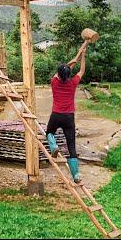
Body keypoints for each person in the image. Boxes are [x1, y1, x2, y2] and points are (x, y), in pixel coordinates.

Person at [45, 42, 88, 183]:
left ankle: (54, 146)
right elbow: (81, 71)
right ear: (69, 74)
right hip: (69, 117)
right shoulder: (73, 82)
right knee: (71, 147)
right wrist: (83, 56)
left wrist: (71, 61)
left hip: (56, 115)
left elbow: (62, 71)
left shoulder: (54, 82)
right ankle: (76, 175)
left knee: (49, 132)